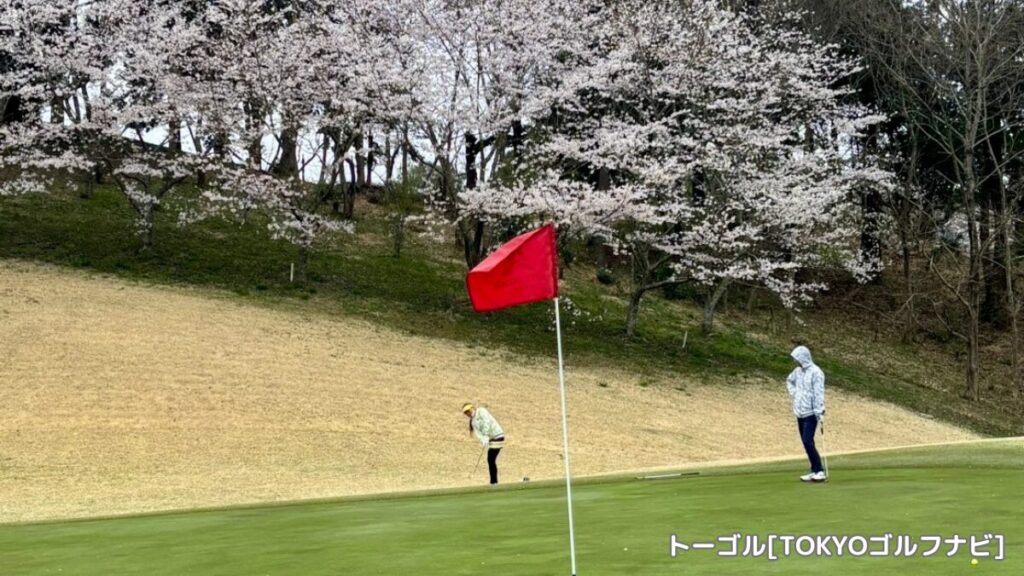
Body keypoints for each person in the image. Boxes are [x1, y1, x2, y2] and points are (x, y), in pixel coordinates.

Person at [786, 345, 827, 483]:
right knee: (806, 442)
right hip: (799, 412)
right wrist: (795, 394)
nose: (795, 361)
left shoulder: (816, 372)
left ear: (803, 358)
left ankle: (820, 471)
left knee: (807, 441)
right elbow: (789, 381)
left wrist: (819, 411)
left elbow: (818, 393)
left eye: (796, 358)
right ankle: (814, 470)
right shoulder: (797, 371)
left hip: (811, 413)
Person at [462, 403, 505, 485]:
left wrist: (485, 435)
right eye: (466, 412)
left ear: (472, 408)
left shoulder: (481, 411)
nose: (467, 413)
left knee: (490, 459)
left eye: (468, 411)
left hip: (498, 435)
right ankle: (493, 482)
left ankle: (494, 482)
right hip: (491, 439)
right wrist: (483, 440)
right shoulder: (473, 422)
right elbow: (478, 434)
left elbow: (486, 422)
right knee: (490, 459)